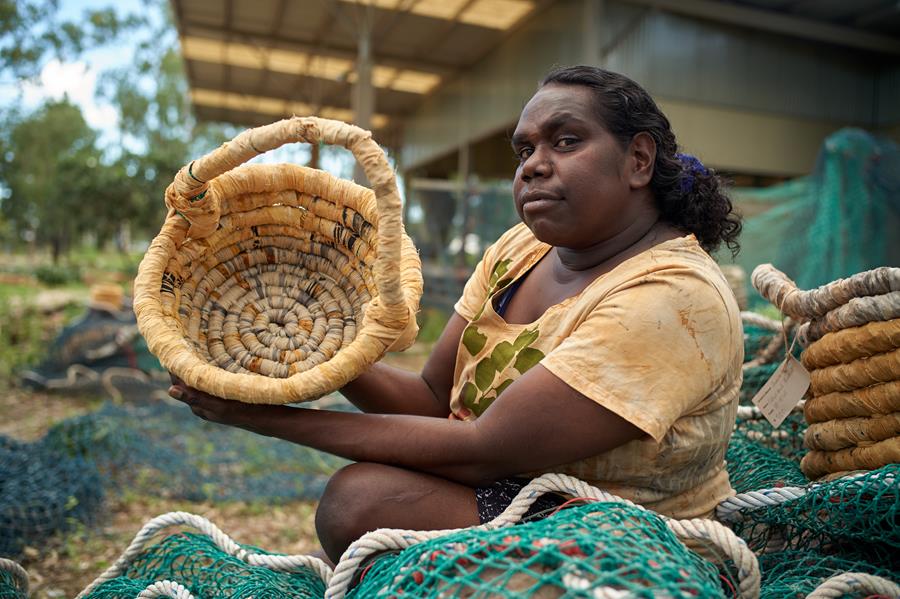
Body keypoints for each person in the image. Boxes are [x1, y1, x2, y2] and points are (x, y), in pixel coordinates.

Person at [168, 65, 743, 564]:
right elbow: (434, 402)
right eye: (525, 151)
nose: (533, 167)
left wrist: (261, 417)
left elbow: (483, 448)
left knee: (360, 501)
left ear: (638, 160)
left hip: (631, 536)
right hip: (513, 494)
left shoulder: (673, 295)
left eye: (565, 142)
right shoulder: (520, 250)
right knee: (366, 502)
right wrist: (320, 344)